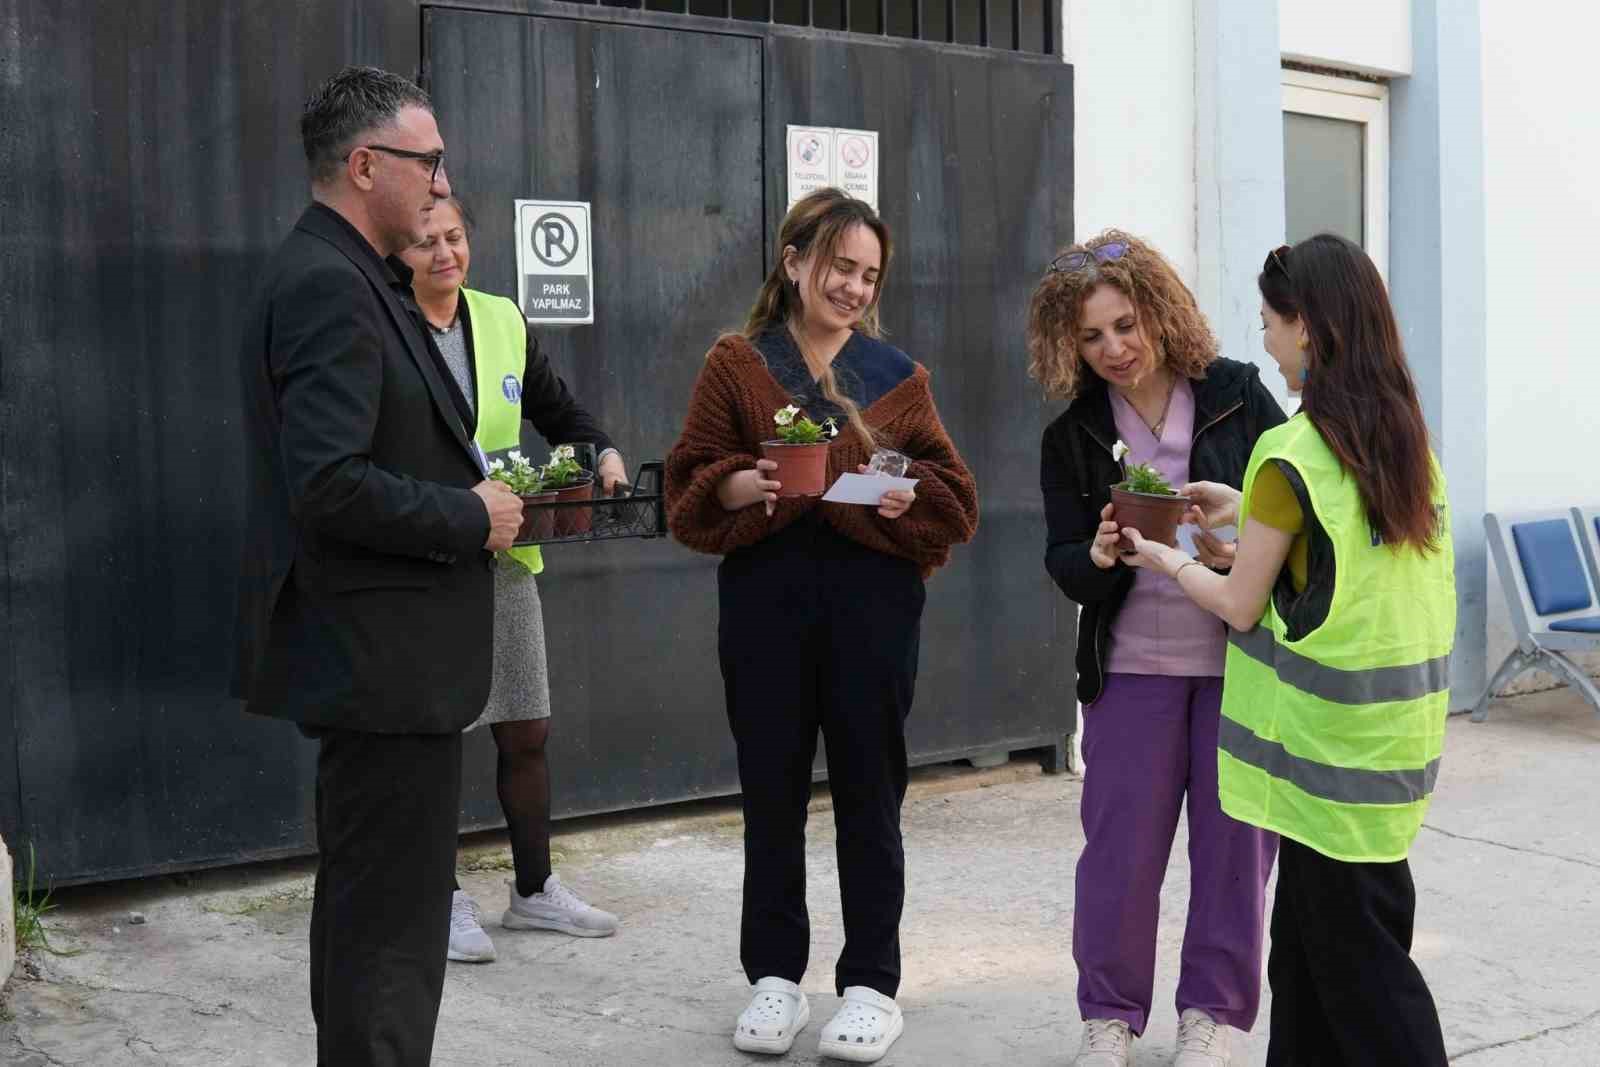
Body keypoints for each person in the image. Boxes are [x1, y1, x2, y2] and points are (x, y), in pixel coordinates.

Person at [232, 67, 523, 1065]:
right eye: (427, 162)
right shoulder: (328, 284)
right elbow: (328, 485)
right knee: (386, 936)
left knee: (379, 923)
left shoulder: (355, 275)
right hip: (382, 664)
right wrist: (469, 513)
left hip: (393, 663)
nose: (441, 183)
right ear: (366, 166)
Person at [1120, 234, 1455, 1066]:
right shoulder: (1404, 445)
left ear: (1307, 327)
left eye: (1269, 321)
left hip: (1318, 765)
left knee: (1369, 986)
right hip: (1390, 756)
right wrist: (1246, 510)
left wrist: (1163, 556)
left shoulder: (1292, 452)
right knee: (1305, 967)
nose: (1263, 340)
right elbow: (1338, 558)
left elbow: (1240, 604)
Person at [664, 188, 978, 1063]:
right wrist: (738, 485)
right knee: (771, 790)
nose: (852, 286)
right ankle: (774, 976)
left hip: (873, 606)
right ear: (795, 258)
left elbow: (957, 500)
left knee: (870, 793)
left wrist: (903, 488)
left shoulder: (897, 376)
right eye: (840, 265)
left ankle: (872, 984)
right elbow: (688, 485)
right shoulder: (738, 362)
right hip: (765, 601)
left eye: (868, 274)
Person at [1026, 230, 1286, 1067]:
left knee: (1233, 856)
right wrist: (1097, 559)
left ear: (1161, 312)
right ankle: (1110, 1017)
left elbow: (1297, 512)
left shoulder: (1239, 395)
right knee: (1119, 859)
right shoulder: (1070, 435)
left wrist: (1237, 528)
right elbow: (1063, 560)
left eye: (1126, 324)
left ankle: (1211, 1017)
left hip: (1238, 666)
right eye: (1091, 336)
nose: (1113, 349)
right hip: (1130, 670)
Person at [398, 195, 626, 962]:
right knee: (435, 744)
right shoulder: (385, 325)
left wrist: (600, 452)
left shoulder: (501, 319)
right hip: (425, 567)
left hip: (505, 560)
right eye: (425, 241)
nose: (443, 253)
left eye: (455, 237)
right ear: (399, 251)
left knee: (525, 729)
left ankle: (533, 891)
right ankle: (437, 899)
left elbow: (562, 413)